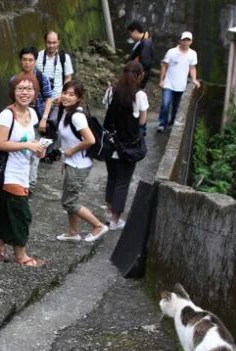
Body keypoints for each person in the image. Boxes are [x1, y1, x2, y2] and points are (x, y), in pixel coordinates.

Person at [0, 72, 47, 267]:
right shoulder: (6, 115)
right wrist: (27, 146)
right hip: (8, 173)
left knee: (8, 212)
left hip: (24, 170)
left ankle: (0, 247)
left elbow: (28, 141)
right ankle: (21, 256)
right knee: (21, 214)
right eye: (20, 89)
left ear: (35, 92)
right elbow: (0, 144)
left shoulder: (32, 114)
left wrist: (37, 149)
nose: (25, 92)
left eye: (29, 89)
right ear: (13, 92)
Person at [54, 80, 109, 243]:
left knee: (69, 202)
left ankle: (98, 226)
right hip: (71, 163)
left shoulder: (77, 116)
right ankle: (73, 232)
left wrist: (71, 151)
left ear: (79, 98)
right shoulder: (66, 110)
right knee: (70, 199)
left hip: (79, 165)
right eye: (65, 93)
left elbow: (90, 140)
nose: (66, 97)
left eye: (71, 95)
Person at [103, 61, 149, 231]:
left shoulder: (110, 91)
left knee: (112, 178)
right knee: (122, 182)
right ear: (140, 75)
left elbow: (108, 114)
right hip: (128, 147)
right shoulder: (140, 96)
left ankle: (108, 212)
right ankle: (115, 220)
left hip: (111, 144)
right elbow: (143, 121)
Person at [11, 47, 53, 191]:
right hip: (20, 122)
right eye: (24, 60)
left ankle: (30, 185)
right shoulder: (15, 80)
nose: (27, 63)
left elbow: (49, 99)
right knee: (21, 152)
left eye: (30, 60)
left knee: (35, 154)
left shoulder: (41, 78)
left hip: (37, 122)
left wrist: (44, 119)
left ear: (35, 61)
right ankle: (21, 183)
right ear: (20, 61)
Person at [157, 31, 200, 132]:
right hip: (168, 83)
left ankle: (172, 123)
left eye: (188, 40)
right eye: (184, 39)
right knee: (166, 104)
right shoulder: (171, 52)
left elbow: (192, 67)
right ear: (180, 40)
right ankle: (162, 124)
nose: (186, 42)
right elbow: (164, 65)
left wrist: (194, 79)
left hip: (181, 85)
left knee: (176, 106)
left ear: (191, 42)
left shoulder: (193, 54)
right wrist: (161, 80)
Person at [127, 21, 154, 89]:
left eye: (130, 33)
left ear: (135, 31)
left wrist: (138, 79)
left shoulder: (145, 44)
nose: (130, 36)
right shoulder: (141, 42)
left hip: (137, 79)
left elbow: (145, 64)